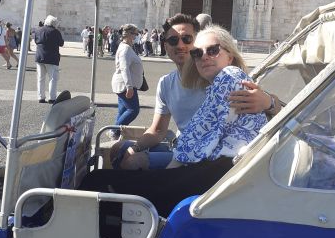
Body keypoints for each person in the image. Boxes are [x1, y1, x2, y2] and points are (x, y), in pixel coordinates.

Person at [114, 13, 279, 171]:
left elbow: (272, 104)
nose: (180, 45)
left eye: (186, 39)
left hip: (202, 157)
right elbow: (157, 131)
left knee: (134, 162)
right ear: (165, 46)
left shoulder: (217, 75)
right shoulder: (166, 83)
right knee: (118, 148)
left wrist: (268, 102)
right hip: (181, 147)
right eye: (173, 40)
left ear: (197, 41)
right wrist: (135, 147)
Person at [166, 25, 267, 167]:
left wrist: (171, 167)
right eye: (197, 53)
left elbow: (199, 133)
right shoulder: (218, 84)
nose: (205, 57)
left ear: (230, 57)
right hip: (224, 166)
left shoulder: (230, 75)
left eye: (213, 50)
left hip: (226, 168)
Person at [110, 24, 144, 137]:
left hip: (124, 84)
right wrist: (129, 87)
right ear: (129, 34)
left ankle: (116, 134)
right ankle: (114, 131)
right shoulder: (125, 49)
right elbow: (124, 68)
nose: (136, 36)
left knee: (122, 111)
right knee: (133, 110)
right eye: (135, 34)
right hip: (124, 85)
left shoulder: (126, 47)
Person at [34, 15, 64, 104]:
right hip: (52, 57)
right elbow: (61, 43)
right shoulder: (55, 32)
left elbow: (36, 41)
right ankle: (52, 98)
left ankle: (41, 97)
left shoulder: (38, 30)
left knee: (40, 78)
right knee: (53, 78)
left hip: (40, 56)